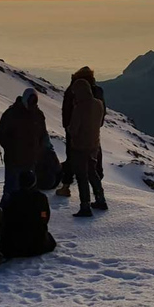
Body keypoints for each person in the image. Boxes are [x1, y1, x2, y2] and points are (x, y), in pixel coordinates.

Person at [57, 67, 106, 198]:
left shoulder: (72, 91)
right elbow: (102, 114)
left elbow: (66, 112)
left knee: (73, 160)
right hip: (94, 133)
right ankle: (99, 194)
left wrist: (68, 128)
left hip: (76, 133)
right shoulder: (97, 91)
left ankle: (67, 187)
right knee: (94, 162)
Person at [0, 88, 48, 206]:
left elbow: (43, 134)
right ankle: (7, 212)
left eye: (34, 101)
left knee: (29, 187)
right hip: (14, 158)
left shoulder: (38, 115)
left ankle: (26, 211)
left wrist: (38, 150)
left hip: (31, 158)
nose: (32, 103)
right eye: (31, 100)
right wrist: (10, 148)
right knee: (11, 186)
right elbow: (1, 133)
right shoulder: (12, 113)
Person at [68, 78, 107, 217]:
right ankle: (100, 199)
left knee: (82, 177)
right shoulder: (99, 104)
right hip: (94, 144)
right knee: (92, 172)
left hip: (80, 146)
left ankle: (85, 206)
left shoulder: (80, 108)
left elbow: (73, 129)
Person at [0, 170, 57, 258]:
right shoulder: (41, 198)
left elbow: (6, 217)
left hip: (15, 245)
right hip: (38, 245)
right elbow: (44, 217)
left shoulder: (13, 197)